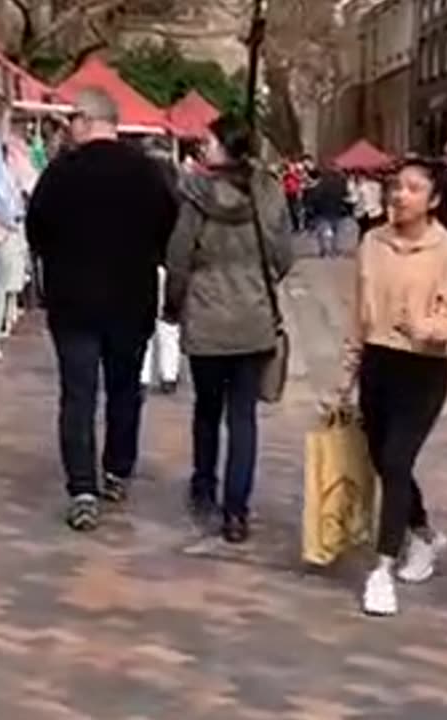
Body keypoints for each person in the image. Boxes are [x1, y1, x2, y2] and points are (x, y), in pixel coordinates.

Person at [26, 87, 178, 532]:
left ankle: (82, 486)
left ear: (86, 120)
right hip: (130, 297)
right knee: (125, 388)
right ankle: (117, 468)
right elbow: (169, 229)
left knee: (77, 393)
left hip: (73, 298)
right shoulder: (149, 174)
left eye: (72, 120)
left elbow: (37, 229)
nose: (68, 129)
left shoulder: (61, 173)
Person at [330, 159, 447, 616]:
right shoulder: (372, 242)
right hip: (378, 363)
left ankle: (382, 570)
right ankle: (425, 535)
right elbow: (360, 313)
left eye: (414, 189)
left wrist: (424, 326)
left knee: (396, 459)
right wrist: (344, 377)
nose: (400, 195)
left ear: (434, 200)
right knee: (384, 463)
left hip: (423, 368)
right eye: (397, 186)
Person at [165, 115, 293, 543]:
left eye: (209, 140)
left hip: (206, 316)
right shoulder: (268, 193)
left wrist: (174, 304)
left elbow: (178, 256)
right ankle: (237, 510)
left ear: (223, 147)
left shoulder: (196, 195)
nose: (204, 147)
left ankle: (204, 487)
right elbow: (283, 255)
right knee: (243, 417)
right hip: (253, 317)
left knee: (207, 409)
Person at [309, 167, 350, 258]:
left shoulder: (319, 186)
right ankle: (333, 250)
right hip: (335, 210)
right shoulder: (338, 185)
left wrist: (312, 208)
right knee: (334, 231)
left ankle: (323, 250)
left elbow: (314, 199)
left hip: (321, 211)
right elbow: (344, 196)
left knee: (321, 232)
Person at [353, 171, 387, 238]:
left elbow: (357, 200)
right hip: (377, 211)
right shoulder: (378, 185)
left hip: (366, 212)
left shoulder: (361, 187)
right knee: (377, 230)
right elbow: (381, 197)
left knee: (364, 231)